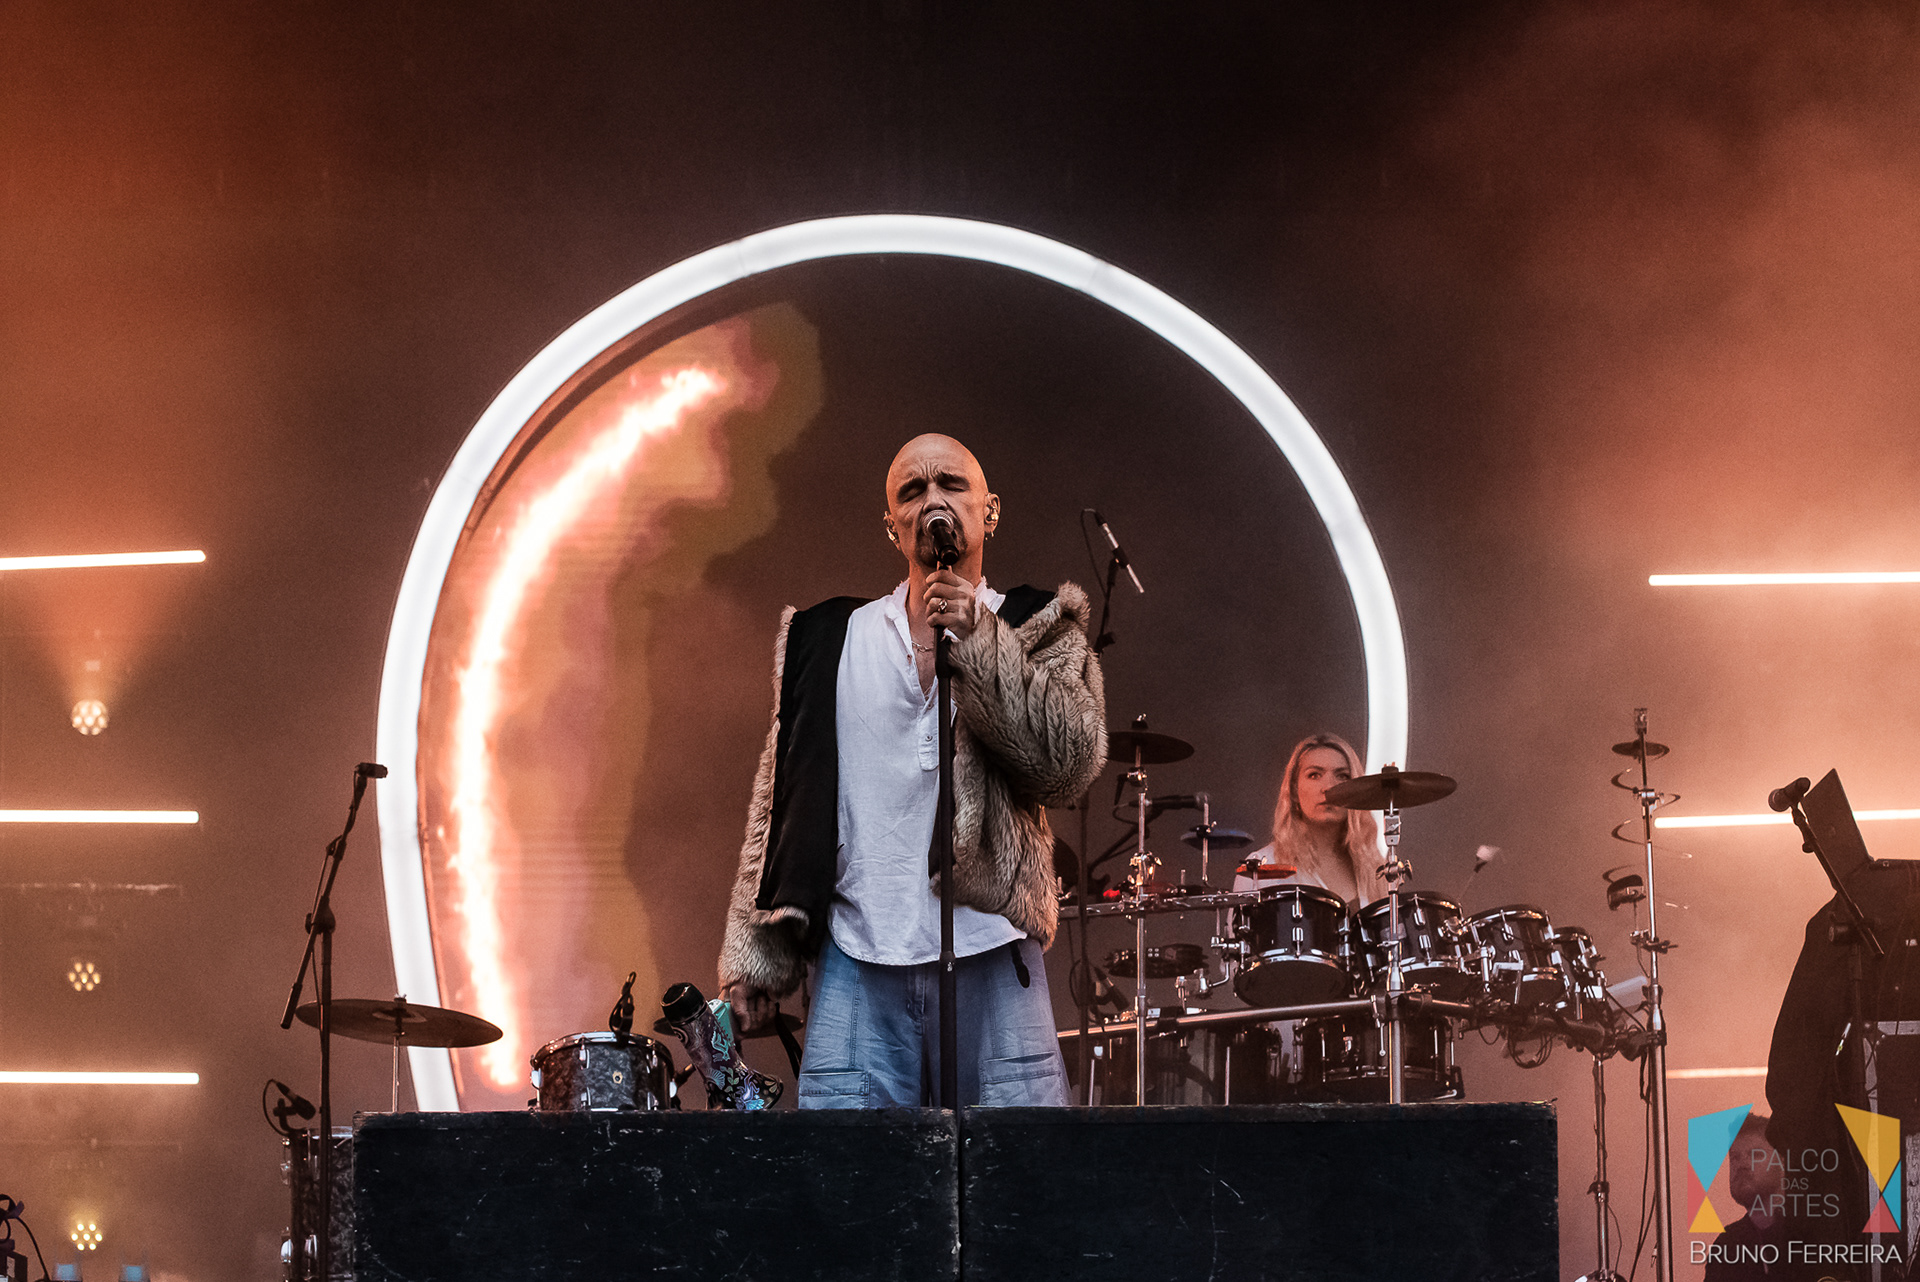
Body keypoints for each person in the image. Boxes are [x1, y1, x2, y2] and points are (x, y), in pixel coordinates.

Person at [717, 433, 1107, 1108]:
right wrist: (756, 952)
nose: (933, 500)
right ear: (891, 525)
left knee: (1014, 1167)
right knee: (851, 1172)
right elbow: (778, 799)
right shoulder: (828, 638)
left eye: (951, 484)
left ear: (989, 511)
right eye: (912, 490)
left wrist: (981, 639)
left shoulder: (1039, 625)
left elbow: (1068, 766)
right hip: (856, 959)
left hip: (992, 949)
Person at [1234, 732, 1388, 906]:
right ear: (1294, 790)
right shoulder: (1260, 869)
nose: (1328, 787)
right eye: (1314, 775)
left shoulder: (1374, 869)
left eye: (1342, 776)